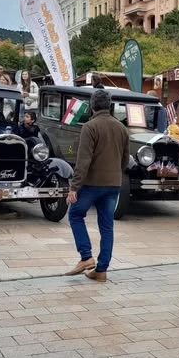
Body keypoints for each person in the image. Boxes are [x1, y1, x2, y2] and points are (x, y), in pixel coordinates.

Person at [65, 89, 128, 282]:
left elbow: (83, 160)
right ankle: (101, 270)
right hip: (114, 184)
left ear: (92, 106)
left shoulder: (90, 127)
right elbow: (125, 160)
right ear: (110, 106)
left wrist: (74, 187)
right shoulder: (122, 128)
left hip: (92, 184)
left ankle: (86, 257)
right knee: (107, 227)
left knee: (75, 214)